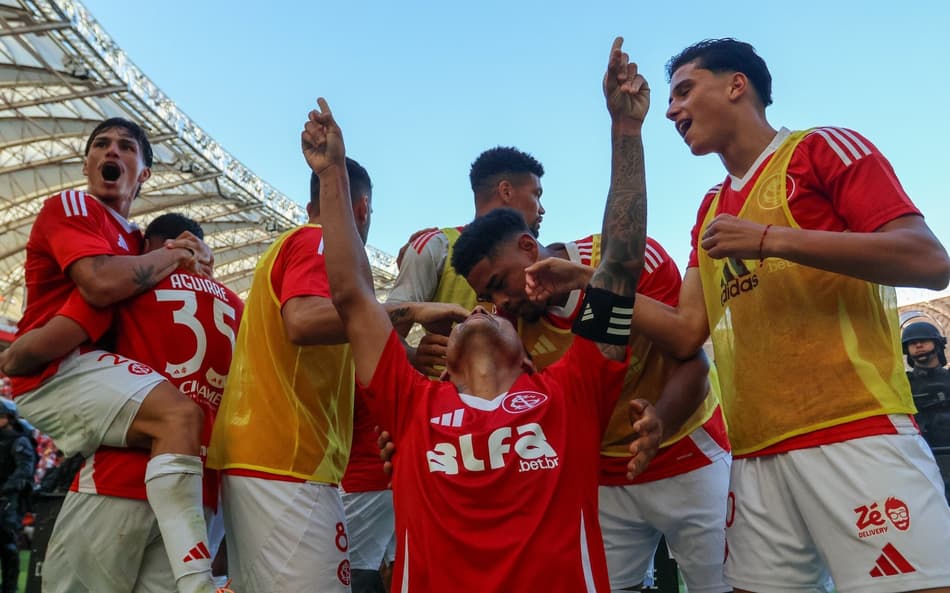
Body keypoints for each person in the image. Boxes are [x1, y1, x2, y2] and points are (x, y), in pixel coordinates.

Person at [303, 35, 656, 592]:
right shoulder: (413, 402)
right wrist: (332, 176)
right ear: (445, 366)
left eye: (492, 306)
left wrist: (627, 131)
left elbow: (619, 266)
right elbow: (354, 300)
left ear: (528, 359)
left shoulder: (573, 394)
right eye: (472, 310)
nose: (484, 310)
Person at [623, 38, 950, 592]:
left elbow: (928, 261)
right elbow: (685, 332)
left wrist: (772, 238)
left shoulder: (821, 148)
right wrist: (588, 288)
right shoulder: (709, 209)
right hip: (752, 457)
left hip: (855, 434)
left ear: (736, 85)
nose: (672, 110)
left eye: (684, 90)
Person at [206, 158, 467, 592]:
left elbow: (335, 337)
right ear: (361, 209)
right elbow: (305, 320)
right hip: (286, 461)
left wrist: (405, 355)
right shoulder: (319, 239)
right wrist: (415, 309)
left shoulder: (297, 245)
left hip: (273, 458)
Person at [452, 210, 732, 593]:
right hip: (601, 478)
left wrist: (660, 422)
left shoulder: (632, 258)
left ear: (527, 247)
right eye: (488, 295)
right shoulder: (504, 326)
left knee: (723, 585)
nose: (500, 300)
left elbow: (693, 360)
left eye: (500, 283)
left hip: (687, 453)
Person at [7, 118, 223, 593]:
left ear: (143, 173)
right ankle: (198, 579)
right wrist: (175, 254)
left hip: (122, 449)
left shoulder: (134, 244)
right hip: (60, 373)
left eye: (127, 147)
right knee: (179, 415)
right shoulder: (75, 206)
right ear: (87, 164)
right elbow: (101, 284)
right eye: (101, 144)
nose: (112, 151)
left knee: (177, 418)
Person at [341, 143, 547, 593]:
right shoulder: (435, 244)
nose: (542, 207)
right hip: (438, 443)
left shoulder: (540, 258)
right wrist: (415, 362)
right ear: (508, 191)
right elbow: (384, 325)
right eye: (537, 194)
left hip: (517, 443)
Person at [902, 321, 950, 499]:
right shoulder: (904, 384)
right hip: (925, 459)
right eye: (912, 343)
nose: (918, 345)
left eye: (923, 340)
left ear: (937, 344)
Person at [0, 399, 35, 593]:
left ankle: (10, 587)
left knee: (7, 544)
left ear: (9, 418)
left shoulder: (18, 440)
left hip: (8, 499)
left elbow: (24, 470)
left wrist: (6, 489)